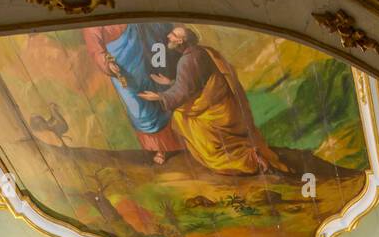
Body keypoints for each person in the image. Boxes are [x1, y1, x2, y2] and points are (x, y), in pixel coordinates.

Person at [139, 25, 287, 176]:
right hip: (225, 107)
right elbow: (196, 83)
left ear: (180, 41)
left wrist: (159, 96)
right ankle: (249, 153)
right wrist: (170, 83)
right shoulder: (201, 52)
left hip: (215, 114)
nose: (169, 36)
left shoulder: (187, 60)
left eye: (173, 34)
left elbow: (184, 91)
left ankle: (250, 160)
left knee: (184, 121)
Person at [84, 22, 183, 165]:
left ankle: (166, 147)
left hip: (145, 57)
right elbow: (95, 50)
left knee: (159, 98)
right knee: (139, 109)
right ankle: (156, 147)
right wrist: (107, 64)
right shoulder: (91, 25)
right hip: (124, 70)